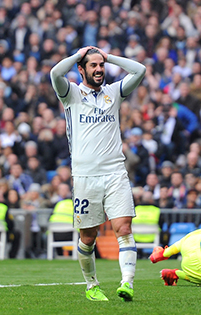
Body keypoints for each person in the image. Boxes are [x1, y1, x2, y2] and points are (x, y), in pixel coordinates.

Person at [50, 46, 146, 302]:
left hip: (115, 172)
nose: (99, 69)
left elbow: (140, 70)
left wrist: (107, 56)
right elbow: (54, 73)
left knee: (123, 228)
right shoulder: (71, 93)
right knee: (88, 237)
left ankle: (127, 283)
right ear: (81, 69)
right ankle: (92, 285)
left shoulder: (113, 92)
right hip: (84, 177)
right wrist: (79, 54)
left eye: (100, 65)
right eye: (92, 65)